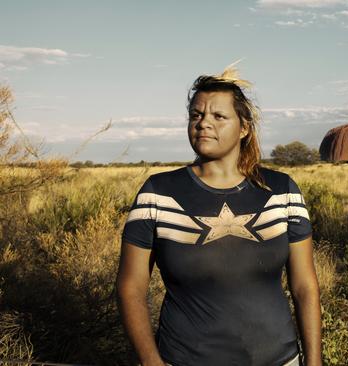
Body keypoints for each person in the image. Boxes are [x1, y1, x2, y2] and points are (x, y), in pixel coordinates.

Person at [115, 61, 322, 366]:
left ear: (244, 127)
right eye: (196, 115)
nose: (203, 123)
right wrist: (150, 361)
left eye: (218, 116)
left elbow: (305, 286)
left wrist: (314, 361)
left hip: (279, 360)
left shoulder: (282, 191)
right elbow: (130, 286)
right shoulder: (157, 193)